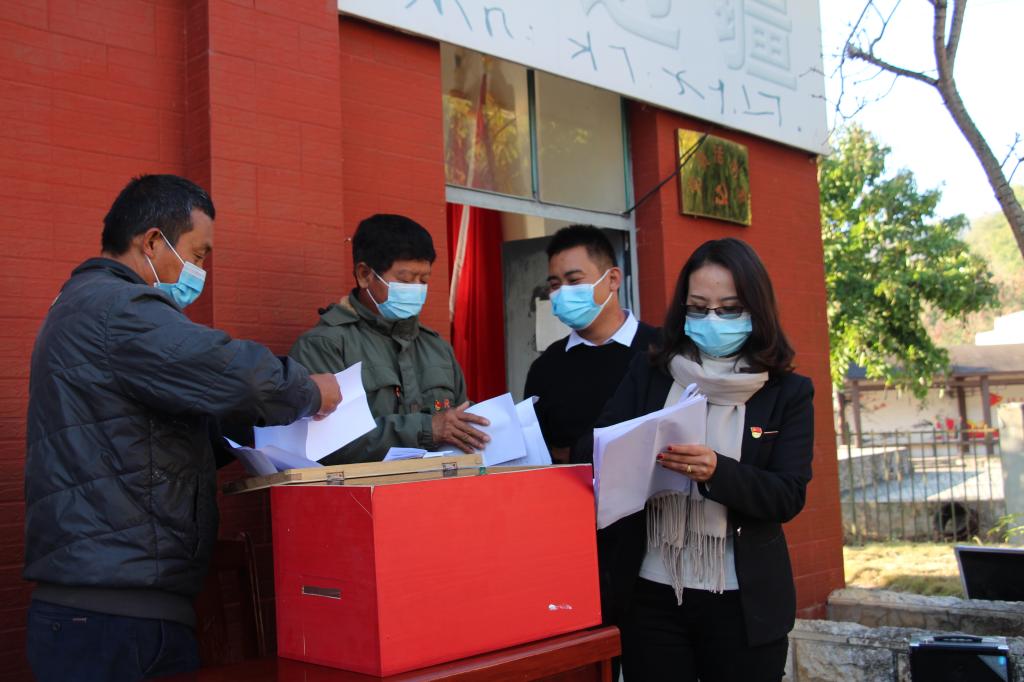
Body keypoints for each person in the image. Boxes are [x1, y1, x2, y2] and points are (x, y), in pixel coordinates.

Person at [23, 175, 342, 682]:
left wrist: (250, 436)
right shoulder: (120, 308)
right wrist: (309, 390)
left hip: (103, 605)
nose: (201, 271)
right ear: (152, 242)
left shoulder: (82, 305)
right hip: (115, 619)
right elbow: (236, 374)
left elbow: (145, 438)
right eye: (198, 254)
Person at [576, 238, 814, 681]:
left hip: (742, 598)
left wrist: (717, 472)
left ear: (757, 310)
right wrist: (637, 449)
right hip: (652, 590)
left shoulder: (788, 392)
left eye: (729, 309)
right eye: (699, 308)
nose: (712, 320)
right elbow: (594, 447)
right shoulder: (651, 371)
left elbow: (787, 494)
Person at [290, 214, 489, 463]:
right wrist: (427, 429)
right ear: (364, 274)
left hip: (439, 484)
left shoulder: (437, 348)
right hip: (366, 488)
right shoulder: (325, 346)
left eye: (424, 280)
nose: (416, 288)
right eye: (405, 280)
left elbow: (462, 424)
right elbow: (325, 443)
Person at [525, 225, 657, 463]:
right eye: (555, 285)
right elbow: (539, 456)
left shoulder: (661, 350)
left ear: (613, 279)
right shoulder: (545, 367)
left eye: (574, 280)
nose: (563, 292)